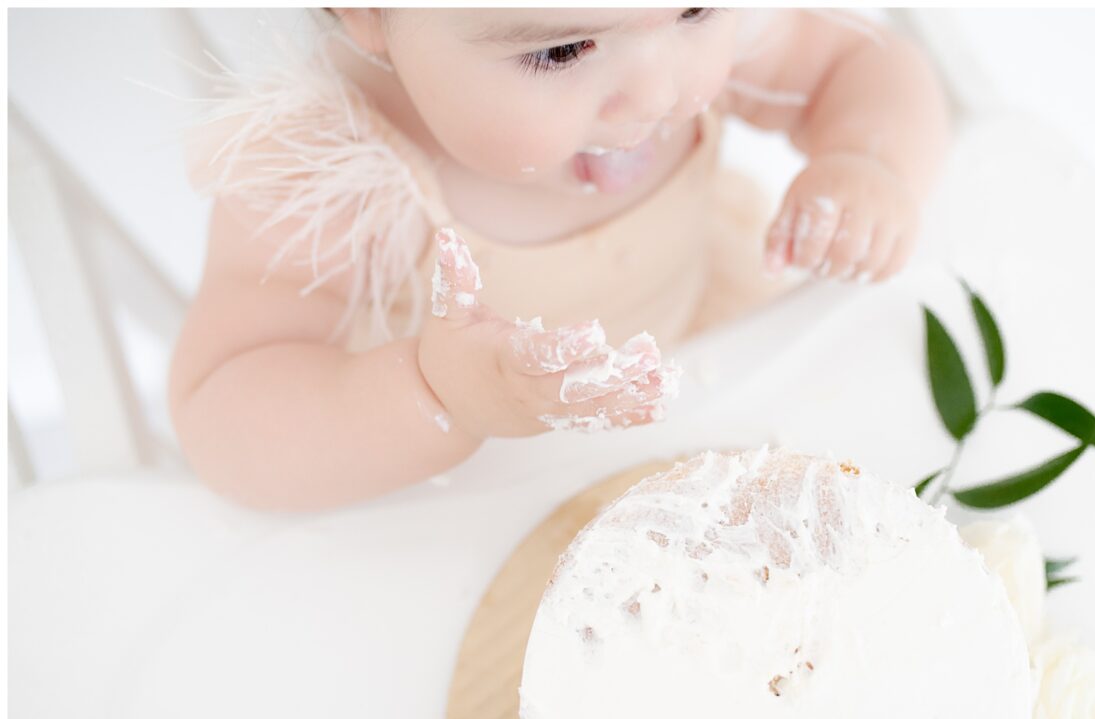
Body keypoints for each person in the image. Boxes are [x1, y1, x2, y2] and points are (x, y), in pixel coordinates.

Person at [168, 8, 949, 511]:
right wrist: (435, 392)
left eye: (693, 9)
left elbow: (864, 64)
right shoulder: (329, 164)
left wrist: (870, 160)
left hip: (704, 370)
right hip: (476, 483)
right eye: (563, 50)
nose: (656, 93)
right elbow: (221, 404)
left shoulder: (651, 28)